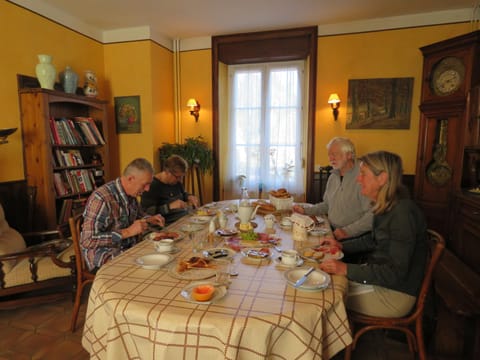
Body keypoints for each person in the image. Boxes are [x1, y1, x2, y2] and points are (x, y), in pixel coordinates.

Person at [319, 151, 427, 318]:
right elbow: (373, 240)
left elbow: (394, 273)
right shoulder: (387, 204)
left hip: (394, 295)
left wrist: (345, 268)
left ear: (382, 178)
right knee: (323, 281)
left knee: (323, 296)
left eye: (363, 174)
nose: (357, 179)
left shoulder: (402, 213)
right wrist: (341, 245)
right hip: (381, 282)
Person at [81, 158, 165, 272]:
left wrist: (149, 219)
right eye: (145, 184)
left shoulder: (131, 193)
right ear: (130, 179)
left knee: (163, 260)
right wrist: (128, 232)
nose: (148, 189)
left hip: (128, 249)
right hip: (104, 256)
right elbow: (87, 240)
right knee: (151, 271)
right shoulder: (102, 199)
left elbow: (138, 215)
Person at [292, 137, 372, 240]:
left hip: (355, 238)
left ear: (349, 155)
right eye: (329, 154)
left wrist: (347, 231)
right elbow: (327, 205)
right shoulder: (333, 176)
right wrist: (305, 210)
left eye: (335, 154)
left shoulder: (363, 177)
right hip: (331, 230)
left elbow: (372, 216)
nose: (331, 158)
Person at [141, 155, 200, 224]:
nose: (180, 180)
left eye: (181, 177)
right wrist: (169, 207)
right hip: (167, 225)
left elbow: (183, 194)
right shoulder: (152, 186)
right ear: (167, 172)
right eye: (178, 177)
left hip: (184, 218)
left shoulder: (176, 182)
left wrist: (189, 196)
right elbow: (147, 213)